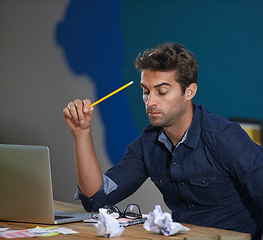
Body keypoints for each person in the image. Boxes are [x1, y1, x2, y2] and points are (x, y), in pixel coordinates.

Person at [63, 42, 263, 239]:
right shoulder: (147, 144)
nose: (150, 102)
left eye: (162, 91)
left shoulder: (224, 137)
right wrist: (81, 133)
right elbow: (96, 199)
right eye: (146, 91)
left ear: (190, 92)